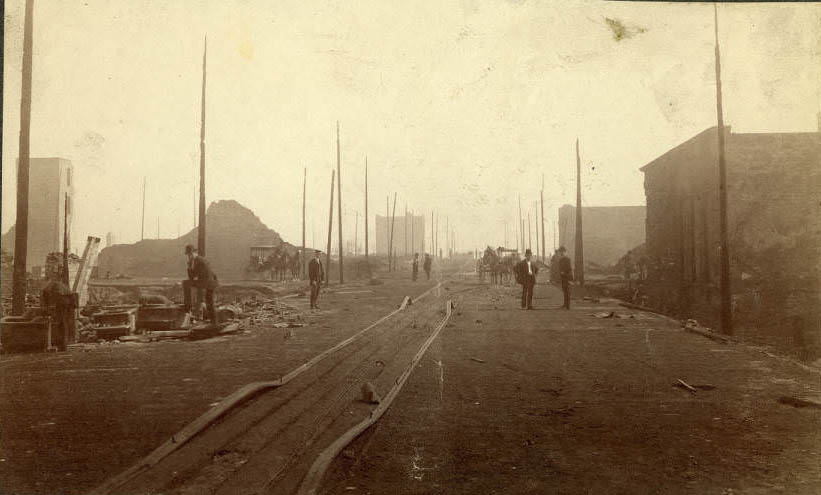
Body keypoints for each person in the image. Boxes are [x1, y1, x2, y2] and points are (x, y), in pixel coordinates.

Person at [183, 244, 219, 325]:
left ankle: (187, 308)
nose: (189, 256)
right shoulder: (198, 260)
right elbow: (194, 276)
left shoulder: (198, 261)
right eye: (188, 255)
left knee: (186, 283)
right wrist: (189, 266)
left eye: (190, 254)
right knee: (209, 302)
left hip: (207, 282)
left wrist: (189, 267)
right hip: (209, 282)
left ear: (194, 253)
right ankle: (214, 322)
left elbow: (193, 277)